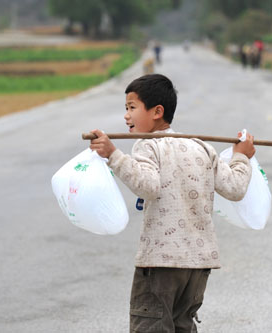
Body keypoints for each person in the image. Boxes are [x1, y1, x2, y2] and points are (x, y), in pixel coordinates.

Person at [89, 74, 255, 332]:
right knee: (182, 326)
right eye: (126, 108)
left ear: (157, 112)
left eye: (132, 107)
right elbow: (235, 188)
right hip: (198, 267)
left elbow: (148, 186)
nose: (126, 116)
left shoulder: (148, 146)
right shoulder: (201, 147)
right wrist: (241, 157)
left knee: (151, 326)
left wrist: (113, 155)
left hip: (161, 264)